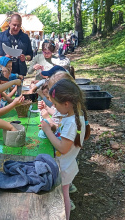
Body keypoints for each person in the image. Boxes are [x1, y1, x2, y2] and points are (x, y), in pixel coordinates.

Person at [40, 79, 90, 220]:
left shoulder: (71, 122)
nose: (54, 107)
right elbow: (65, 137)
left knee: (62, 197)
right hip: (66, 164)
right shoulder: (72, 116)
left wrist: (47, 130)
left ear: (66, 104)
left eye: (55, 104)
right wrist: (53, 127)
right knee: (63, 194)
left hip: (64, 168)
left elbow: (63, 148)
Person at [0, 13, 33, 84]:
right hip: (3, 72)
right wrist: (3, 58)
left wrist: (25, 58)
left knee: (17, 94)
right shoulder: (1, 36)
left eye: (18, 25)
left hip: (20, 71)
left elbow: (30, 55)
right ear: (9, 23)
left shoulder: (25, 37)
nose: (16, 27)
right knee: (4, 93)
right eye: (14, 25)